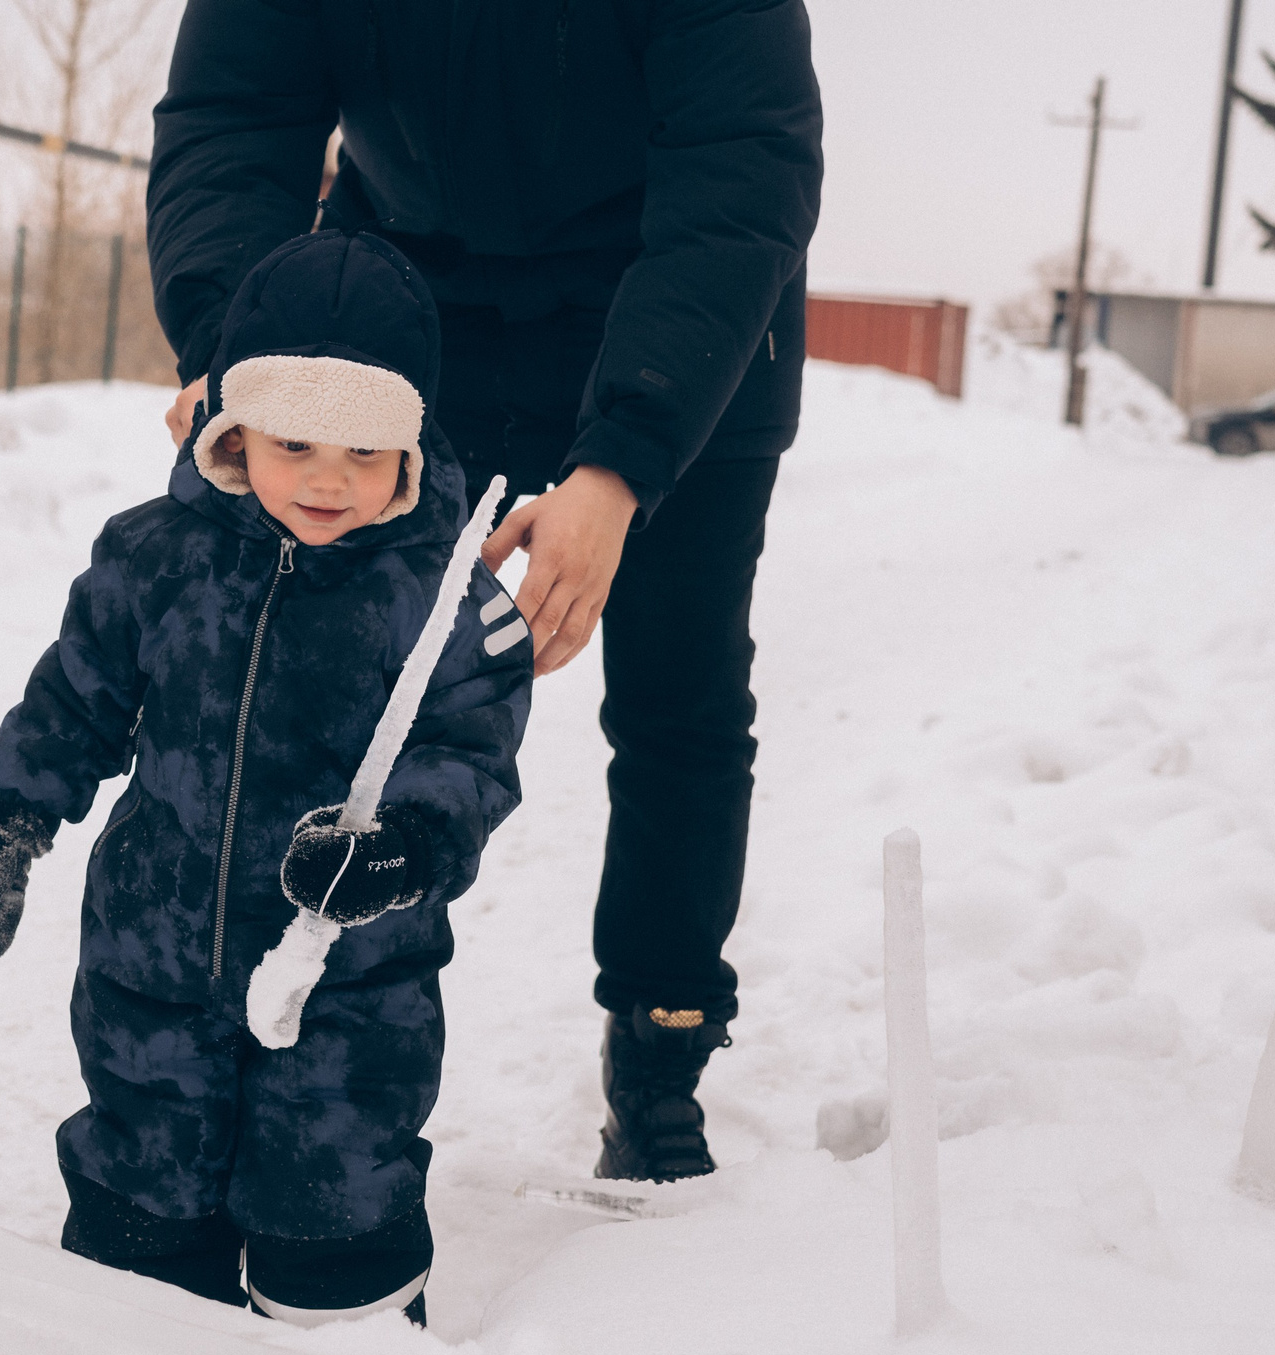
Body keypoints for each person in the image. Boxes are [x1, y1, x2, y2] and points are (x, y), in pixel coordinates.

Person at [144, 0, 824, 1181]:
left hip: (678, 320)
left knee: (680, 701)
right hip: (412, 304)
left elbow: (739, 169)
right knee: (324, 695)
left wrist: (618, 466)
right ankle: (296, 1036)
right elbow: (233, 121)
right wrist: (239, 352)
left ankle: (661, 1048)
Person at [0, 232, 531, 1335]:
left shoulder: (449, 598)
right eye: (297, 440)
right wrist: (8, 816)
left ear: (408, 449)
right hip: (149, 965)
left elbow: (470, 756)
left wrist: (401, 845)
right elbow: (74, 701)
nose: (327, 478)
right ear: (231, 428)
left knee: (336, 1209)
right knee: (141, 1198)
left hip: (352, 984)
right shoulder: (152, 557)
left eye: (364, 452)